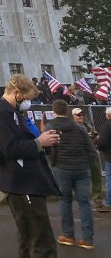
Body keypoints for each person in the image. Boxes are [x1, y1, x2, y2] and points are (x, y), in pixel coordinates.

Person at [0, 74, 61, 258]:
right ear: (17, 93)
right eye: (27, 99)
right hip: (21, 184)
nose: (28, 103)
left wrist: (42, 140)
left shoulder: (12, 113)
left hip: (26, 182)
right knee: (41, 240)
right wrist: (39, 142)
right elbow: (9, 148)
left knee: (30, 239)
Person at [48, 100, 97, 248]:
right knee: (84, 203)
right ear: (67, 111)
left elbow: (47, 148)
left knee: (64, 201)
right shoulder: (79, 128)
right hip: (82, 168)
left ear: (54, 111)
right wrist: (88, 164)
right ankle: (88, 239)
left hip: (62, 168)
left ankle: (68, 235)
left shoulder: (51, 127)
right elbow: (91, 150)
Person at [72, 107, 103, 211]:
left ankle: (97, 198)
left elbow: (97, 136)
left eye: (82, 115)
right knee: (81, 179)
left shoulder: (88, 126)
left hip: (92, 154)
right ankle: (82, 201)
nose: (81, 116)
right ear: (73, 116)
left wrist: (96, 141)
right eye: (78, 115)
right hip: (80, 156)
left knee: (97, 176)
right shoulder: (71, 127)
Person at [97, 106, 111, 213]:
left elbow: (102, 143)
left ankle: (109, 203)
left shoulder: (107, 125)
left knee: (109, 179)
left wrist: (103, 149)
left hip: (110, 156)